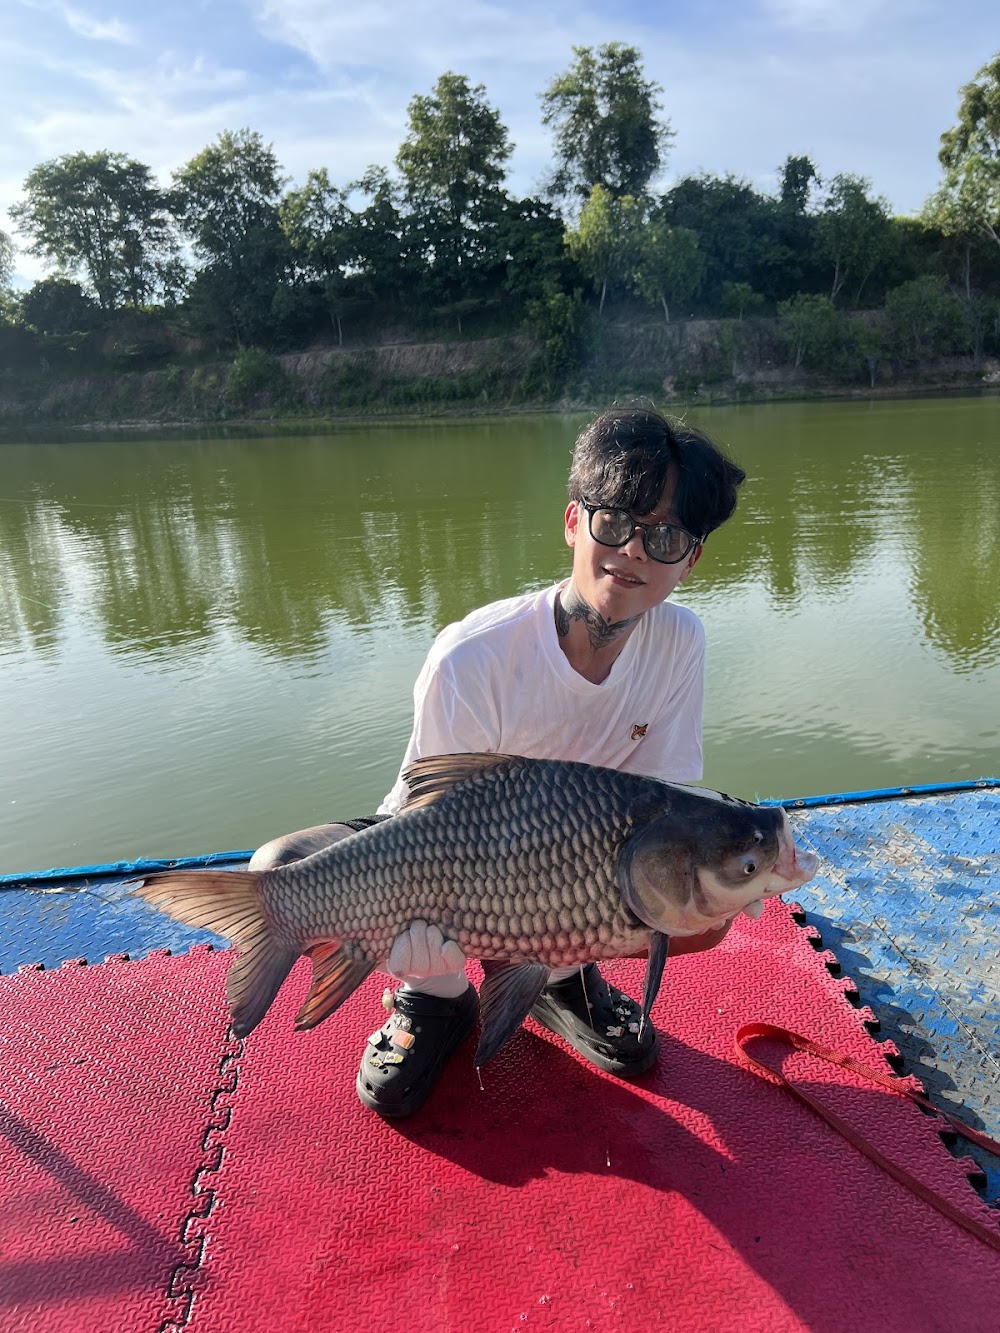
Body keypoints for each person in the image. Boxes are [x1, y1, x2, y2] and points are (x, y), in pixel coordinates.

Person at [251, 406, 746, 1116]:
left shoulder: (680, 643)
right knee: (277, 877)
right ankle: (435, 995)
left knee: (707, 908)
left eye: (664, 536)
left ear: (690, 558)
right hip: (440, 858)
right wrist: (413, 931)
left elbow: (656, 807)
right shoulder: (473, 654)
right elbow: (432, 816)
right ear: (575, 522)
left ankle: (560, 977)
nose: (633, 551)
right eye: (614, 522)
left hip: (571, 872)